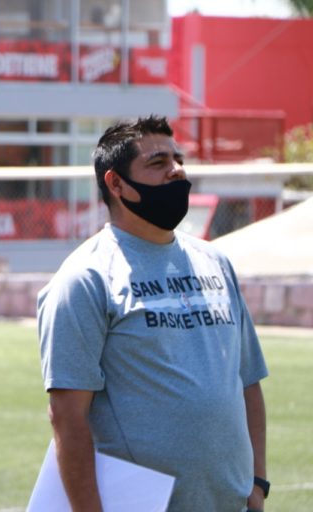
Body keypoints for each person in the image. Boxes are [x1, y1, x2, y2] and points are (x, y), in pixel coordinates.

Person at [37, 115, 268, 512]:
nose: (176, 170)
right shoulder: (86, 278)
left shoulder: (215, 262)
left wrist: (257, 484)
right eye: (158, 163)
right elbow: (67, 417)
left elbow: (247, 381)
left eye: (178, 159)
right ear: (116, 184)